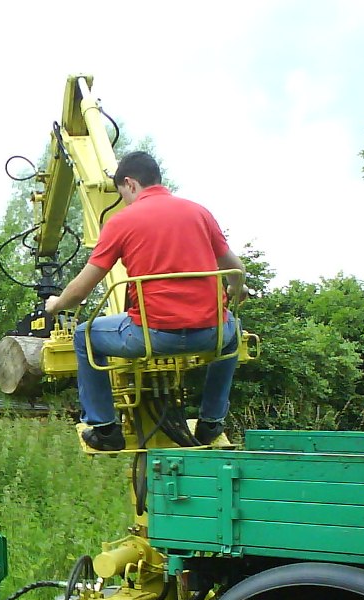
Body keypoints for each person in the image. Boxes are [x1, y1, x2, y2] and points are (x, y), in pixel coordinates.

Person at [44, 151, 249, 451]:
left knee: (82, 336)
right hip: (210, 333)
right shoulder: (199, 213)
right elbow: (237, 271)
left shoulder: (121, 222)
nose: (124, 200)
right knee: (233, 333)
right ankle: (211, 421)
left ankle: (104, 428)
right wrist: (235, 290)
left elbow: (81, 290)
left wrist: (56, 305)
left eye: (122, 193)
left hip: (152, 335)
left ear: (130, 183)